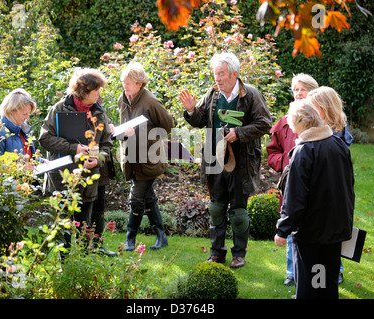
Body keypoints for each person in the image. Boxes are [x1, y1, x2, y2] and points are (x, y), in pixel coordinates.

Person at [179, 52, 272, 268]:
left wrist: (239, 133)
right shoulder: (212, 94)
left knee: (239, 212)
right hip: (214, 160)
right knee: (216, 208)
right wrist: (191, 109)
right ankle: (217, 253)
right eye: (215, 74)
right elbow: (200, 120)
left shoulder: (250, 95)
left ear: (234, 74)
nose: (217, 78)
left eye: (221, 74)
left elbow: (265, 123)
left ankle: (239, 254)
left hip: (241, 163)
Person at [274, 100, 355, 299]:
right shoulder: (339, 144)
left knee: (311, 287)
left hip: (312, 232)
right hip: (336, 228)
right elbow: (350, 186)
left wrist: (282, 230)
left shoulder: (304, 151)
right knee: (327, 286)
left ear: (299, 124)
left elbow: (295, 198)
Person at [38, 68, 116, 256]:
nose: (99, 94)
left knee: (84, 230)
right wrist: (74, 148)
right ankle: (64, 268)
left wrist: (96, 160)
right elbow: (44, 138)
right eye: (96, 90)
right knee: (62, 229)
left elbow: (107, 144)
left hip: (88, 180)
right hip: (62, 179)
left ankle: (82, 266)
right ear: (83, 91)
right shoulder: (59, 109)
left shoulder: (98, 112)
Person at [266, 73, 318, 286]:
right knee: (291, 221)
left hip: (316, 185)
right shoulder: (284, 122)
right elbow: (272, 152)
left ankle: (333, 270)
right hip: (291, 185)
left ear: (312, 92)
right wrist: (285, 166)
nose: (298, 93)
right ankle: (292, 272)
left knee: (320, 226)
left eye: (302, 89)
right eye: (295, 89)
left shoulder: (320, 119)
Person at [118, 62, 174, 251]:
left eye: (129, 83)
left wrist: (148, 137)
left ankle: (130, 239)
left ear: (140, 84)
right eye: (123, 83)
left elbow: (168, 124)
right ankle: (161, 236)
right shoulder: (122, 100)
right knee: (148, 197)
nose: (125, 86)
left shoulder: (150, 101)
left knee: (136, 198)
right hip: (131, 156)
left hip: (149, 158)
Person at [0, 88, 41, 171]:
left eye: (29, 114)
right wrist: (20, 169)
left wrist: (42, 161)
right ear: (11, 111)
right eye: (24, 114)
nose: (27, 118)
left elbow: (27, 156)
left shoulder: (22, 128)